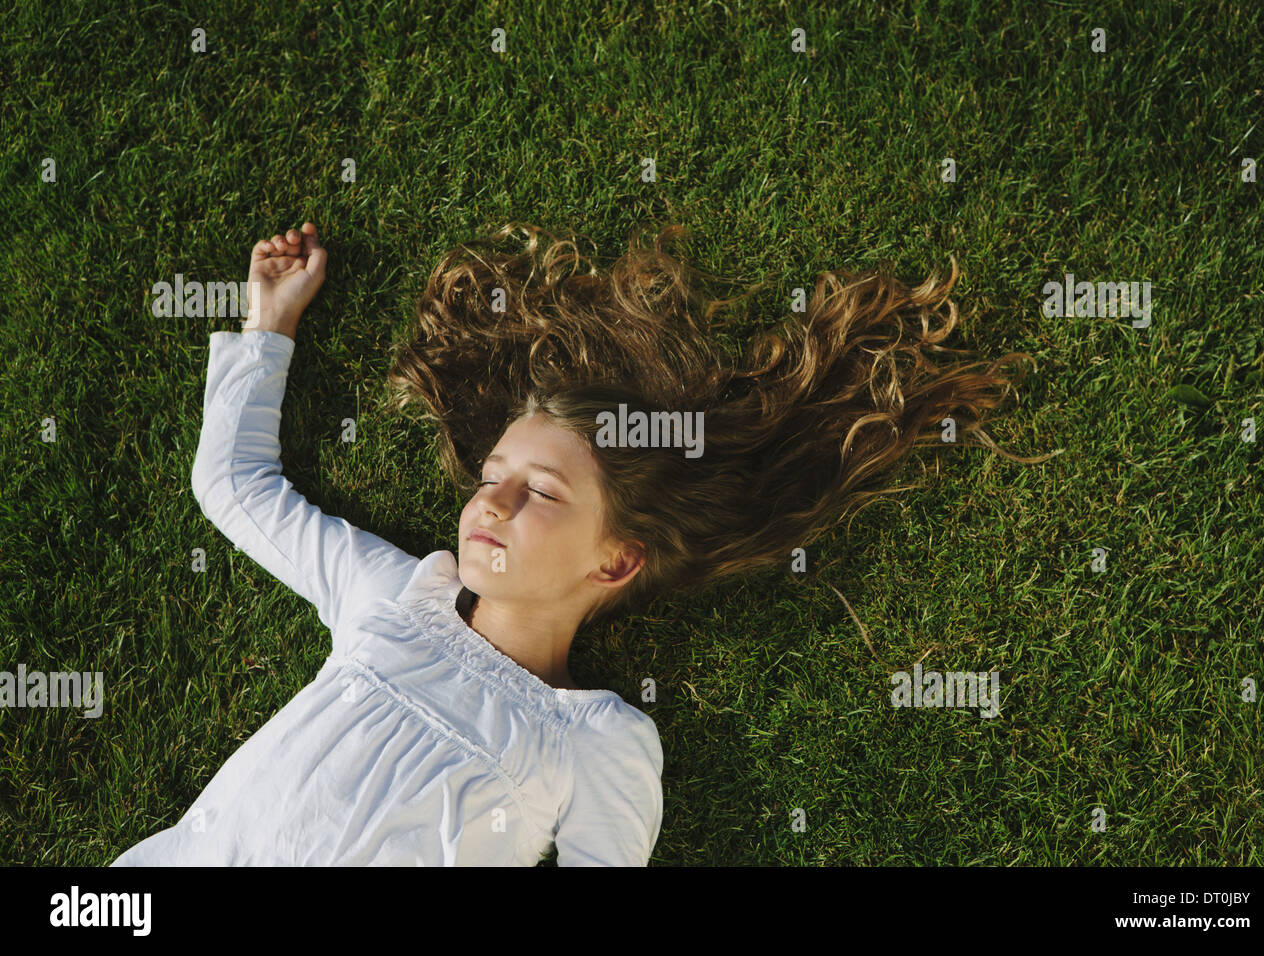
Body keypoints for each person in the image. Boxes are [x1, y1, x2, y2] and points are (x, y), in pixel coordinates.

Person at [111, 219, 1054, 866]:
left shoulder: (597, 740)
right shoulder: (394, 595)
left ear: (616, 559)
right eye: (492, 477)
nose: (494, 501)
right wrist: (267, 324)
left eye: (540, 492)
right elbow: (234, 488)